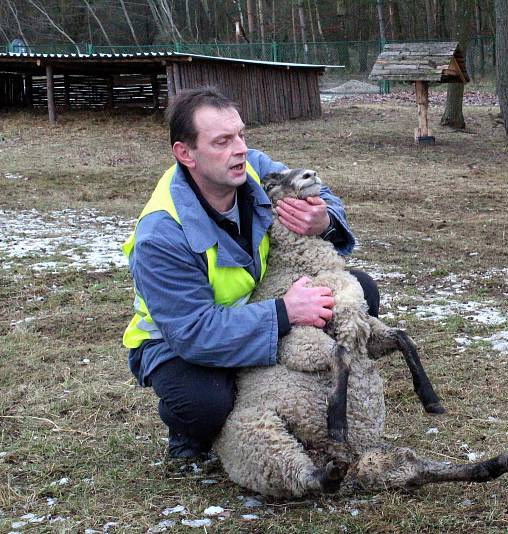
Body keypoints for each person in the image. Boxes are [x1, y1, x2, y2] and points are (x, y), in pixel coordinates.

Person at [122, 87, 379, 458]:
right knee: (205, 402)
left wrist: (324, 219)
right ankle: (189, 436)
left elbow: (319, 188)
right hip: (177, 342)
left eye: (241, 134)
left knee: (359, 293)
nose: (240, 148)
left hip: (262, 306)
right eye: (222, 141)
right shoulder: (161, 234)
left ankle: (322, 401)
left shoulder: (253, 169)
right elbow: (194, 332)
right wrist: (285, 313)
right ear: (185, 153)